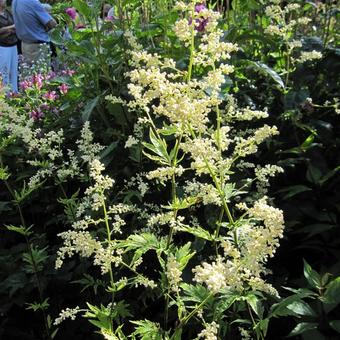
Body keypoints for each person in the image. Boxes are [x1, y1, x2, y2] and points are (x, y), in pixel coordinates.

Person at [11, 0, 57, 69]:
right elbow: (52, 24)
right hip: (38, 47)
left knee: (29, 76)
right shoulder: (32, 2)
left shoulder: (15, 1)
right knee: (42, 76)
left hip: (24, 45)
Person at [0, 0, 17, 91]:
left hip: (13, 45)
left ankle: (14, 94)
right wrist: (10, 28)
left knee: (13, 72)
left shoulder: (8, 12)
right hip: (2, 46)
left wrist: (6, 30)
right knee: (4, 72)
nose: (5, 1)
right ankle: (4, 96)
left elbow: (16, 25)